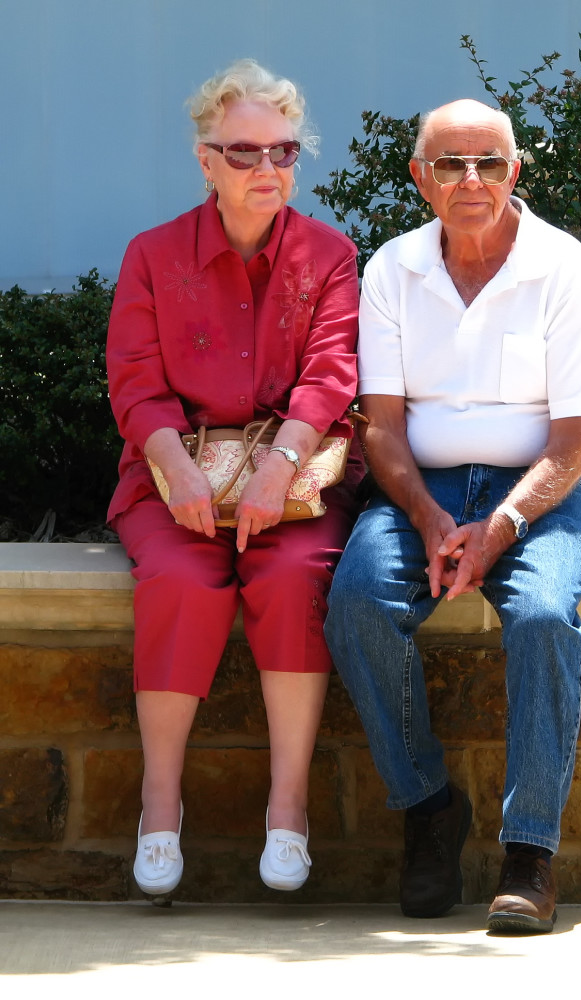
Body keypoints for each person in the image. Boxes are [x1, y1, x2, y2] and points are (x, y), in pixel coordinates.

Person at [324, 98, 581, 934]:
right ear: (421, 179)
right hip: (425, 490)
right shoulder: (392, 270)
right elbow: (379, 423)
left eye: (489, 161)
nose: (472, 179)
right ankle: (428, 807)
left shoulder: (562, 265)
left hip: (545, 493)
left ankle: (530, 854)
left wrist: (503, 526)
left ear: (516, 171)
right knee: (357, 606)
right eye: (450, 163)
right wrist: (421, 513)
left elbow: (577, 436)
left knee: (546, 618)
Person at [105, 59, 361, 897]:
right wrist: (176, 469)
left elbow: (330, 375)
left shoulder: (329, 254)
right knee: (180, 581)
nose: (267, 170)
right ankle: (161, 802)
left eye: (283, 152)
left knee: (293, 580)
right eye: (243, 153)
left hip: (291, 479)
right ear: (206, 160)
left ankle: (288, 809)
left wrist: (279, 464)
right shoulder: (153, 256)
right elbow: (136, 383)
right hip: (172, 476)